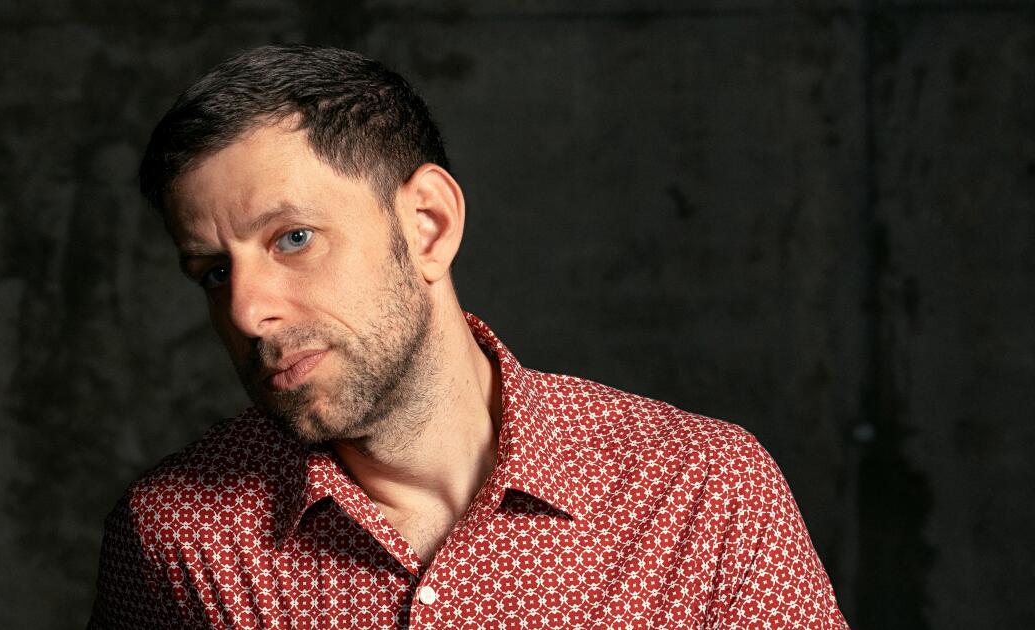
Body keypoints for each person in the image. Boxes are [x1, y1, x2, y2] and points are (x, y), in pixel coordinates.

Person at [89, 44, 847, 629]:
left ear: (428, 226)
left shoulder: (703, 491)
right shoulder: (176, 536)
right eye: (214, 272)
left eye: (293, 238)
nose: (247, 311)